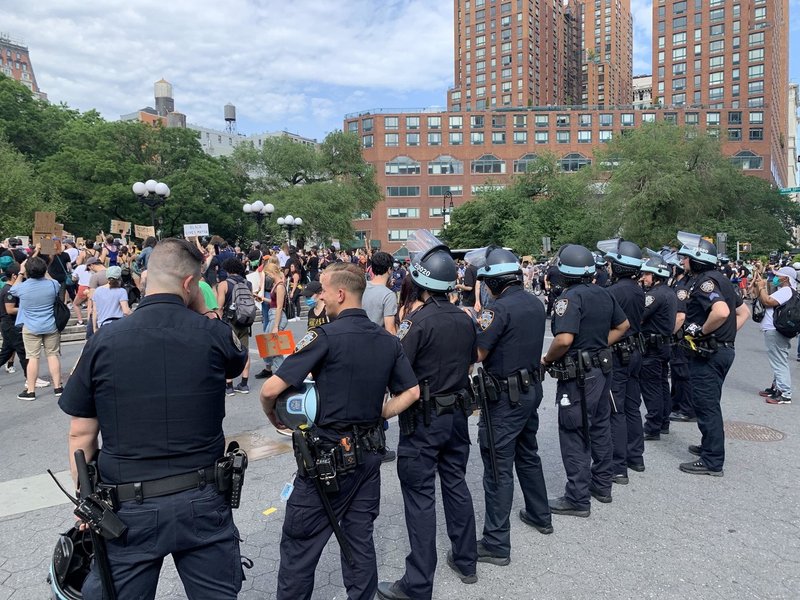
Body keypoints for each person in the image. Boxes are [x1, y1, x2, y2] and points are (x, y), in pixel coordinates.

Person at [58, 238, 248, 599]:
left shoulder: (105, 339)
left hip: (127, 506)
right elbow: (236, 360)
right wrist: (206, 310)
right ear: (191, 285)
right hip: (202, 495)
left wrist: (86, 500)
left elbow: (81, 434)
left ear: (145, 279)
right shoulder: (212, 334)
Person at [259, 262, 419, 600]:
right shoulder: (387, 341)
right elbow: (412, 392)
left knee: (300, 545)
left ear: (341, 293)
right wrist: (380, 413)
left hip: (326, 461)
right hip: (368, 458)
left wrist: (274, 418)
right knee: (358, 540)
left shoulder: (324, 336)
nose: (322, 297)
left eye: (325, 291)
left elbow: (270, 390)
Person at [378, 231, 478, 600]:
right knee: (456, 483)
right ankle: (466, 559)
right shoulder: (466, 318)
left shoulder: (417, 323)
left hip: (423, 420)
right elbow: (470, 365)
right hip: (456, 414)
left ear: (419, 281)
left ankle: (418, 583)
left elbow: (397, 368)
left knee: (420, 497)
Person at [467, 245, 551, 563]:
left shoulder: (497, 310)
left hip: (505, 398)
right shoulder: (533, 302)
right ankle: (540, 514)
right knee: (527, 454)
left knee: (498, 467)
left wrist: (467, 331)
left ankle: (496, 543)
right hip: (530, 389)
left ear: (495, 282)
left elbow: (479, 354)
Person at [542, 244, 629, 516]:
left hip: (578, 375)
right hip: (602, 369)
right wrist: (599, 345)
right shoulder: (604, 294)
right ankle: (602, 485)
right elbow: (623, 326)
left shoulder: (569, 298)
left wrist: (546, 359)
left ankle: (577, 498)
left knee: (574, 431)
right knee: (600, 426)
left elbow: (564, 339)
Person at [676, 231, 749, 476]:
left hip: (710, 354)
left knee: (706, 406)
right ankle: (709, 446)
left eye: (686, 258)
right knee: (710, 402)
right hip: (722, 350)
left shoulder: (705, 281)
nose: (682, 262)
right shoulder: (721, 278)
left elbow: (720, 312)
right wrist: (725, 336)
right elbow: (744, 313)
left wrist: (703, 332)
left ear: (698, 260)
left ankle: (712, 461)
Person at [596, 238, 645, 482]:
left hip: (619, 352)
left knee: (615, 409)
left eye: (612, 263)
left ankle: (618, 466)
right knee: (632, 406)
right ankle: (635, 456)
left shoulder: (613, 292)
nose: (609, 266)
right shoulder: (638, 289)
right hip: (635, 349)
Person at [8, 256, 64, 400]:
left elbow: (12, 290)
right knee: (52, 354)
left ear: (27, 271)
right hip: (51, 325)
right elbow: (53, 281)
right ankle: (58, 387)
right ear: (44, 270)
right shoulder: (53, 285)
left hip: (31, 326)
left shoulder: (21, 288)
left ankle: (31, 390)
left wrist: (21, 272)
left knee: (32, 357)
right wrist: (44, 270)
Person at [639, 252, 679, 446]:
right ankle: (663, 421)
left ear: (656, 276)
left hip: (652, 348)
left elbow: (640, 316)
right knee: (662, 384)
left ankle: (653, 425)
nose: (643, 277)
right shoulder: (669, 292)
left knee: (652, 387)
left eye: (647, 274)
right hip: (664, 344)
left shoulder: (654, 295)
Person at [753, 266, 795, 404]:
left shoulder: (786, 290)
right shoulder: (784, 291)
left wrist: (762, 287)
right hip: (776, 329)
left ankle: (785, 393)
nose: (775, 277)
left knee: (779, 362)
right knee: (778, 360)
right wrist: (759, 287)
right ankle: (776, 387)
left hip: (775, 330)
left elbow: (767, 301)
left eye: (778, 275)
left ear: (786, 278)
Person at [216, 257, 252, 395]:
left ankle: (229, 386)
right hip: (244, 322)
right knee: (245, 352)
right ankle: (244, 384)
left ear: (227, 269)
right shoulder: (247, 283)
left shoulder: (224, 284)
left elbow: (219, 306)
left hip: (229, 322)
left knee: (228, 353)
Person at [254, 262, 288, 381]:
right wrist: (262, 299)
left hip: (276, 317)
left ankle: (280, 374)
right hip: (273, 314)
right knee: (269, 346)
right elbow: (275, 303)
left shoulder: (279, 285)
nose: (267, 276)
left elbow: (279, 306)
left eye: (267, 273)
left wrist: (276, 326)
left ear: (273, 272)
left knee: (274, 348)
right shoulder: (277, 284)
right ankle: (276, 372)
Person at [362, 251, 398, 335]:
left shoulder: (362, 286)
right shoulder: (388, 295)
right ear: (389, 269)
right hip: (376, 340)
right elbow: (390, 330)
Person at [90, 265, 131, 331]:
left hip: (102, 325)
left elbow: (95, 311)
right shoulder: (121, 291)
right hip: (118, 325)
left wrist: (94, 328)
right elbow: (126, 311)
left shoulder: (97, 291)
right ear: (119, 277)